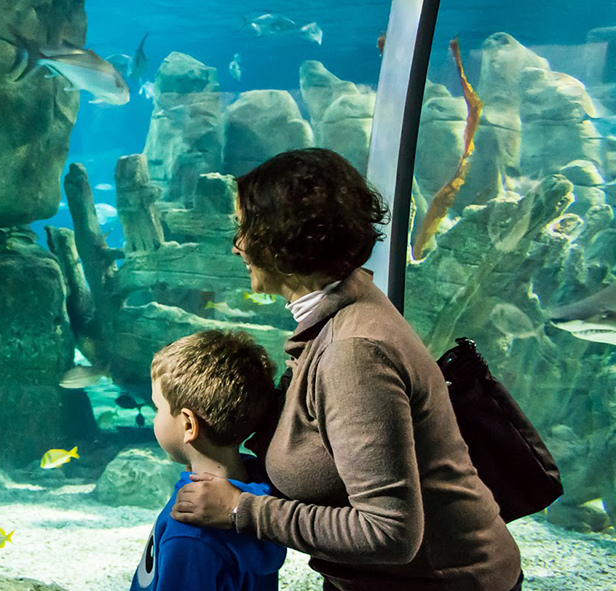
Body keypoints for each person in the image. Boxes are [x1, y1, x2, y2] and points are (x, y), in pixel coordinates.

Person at [170, 148, 523, 591]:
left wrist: (242, 510)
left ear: (282, 237)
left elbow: (389, 532)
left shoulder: (353, 354)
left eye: (245, 228)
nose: (237, 245)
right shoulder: (344, 310)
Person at [131, 329, 287, 591]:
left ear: (188, 424)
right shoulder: (260, 494)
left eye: (158, 408)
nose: (155, 418)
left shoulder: (192, 534)